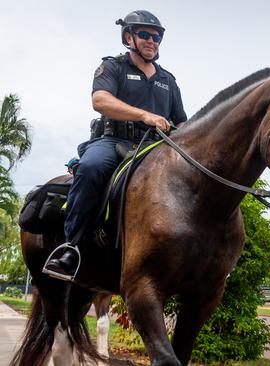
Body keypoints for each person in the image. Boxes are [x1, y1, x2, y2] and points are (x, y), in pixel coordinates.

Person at [44, 10, 187, 279]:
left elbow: (181, 122)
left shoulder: (169, 81)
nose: (151, 41)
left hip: (154, 147)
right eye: (144, 35)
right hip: (113, 141)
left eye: (156, 37)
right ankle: (71, 247)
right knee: (90, 168)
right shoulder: (113, 67)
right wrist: (144, 114)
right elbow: (100, 100)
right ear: (128, 37)